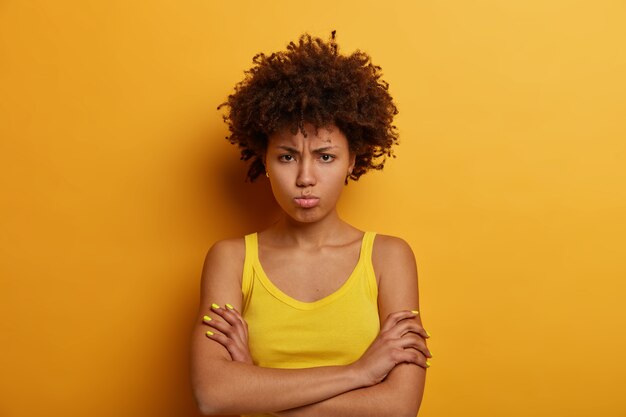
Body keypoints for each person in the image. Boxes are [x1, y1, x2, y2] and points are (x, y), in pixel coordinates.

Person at [190, 31, 432, 417]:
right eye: (287, 157)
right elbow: (214, 395)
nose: (305, 177)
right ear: (264, 160)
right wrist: (361, 372)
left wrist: (256, 382)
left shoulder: (389, 257)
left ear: (352, 160)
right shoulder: (231, 260)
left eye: (325, 157)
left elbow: (398, 407)